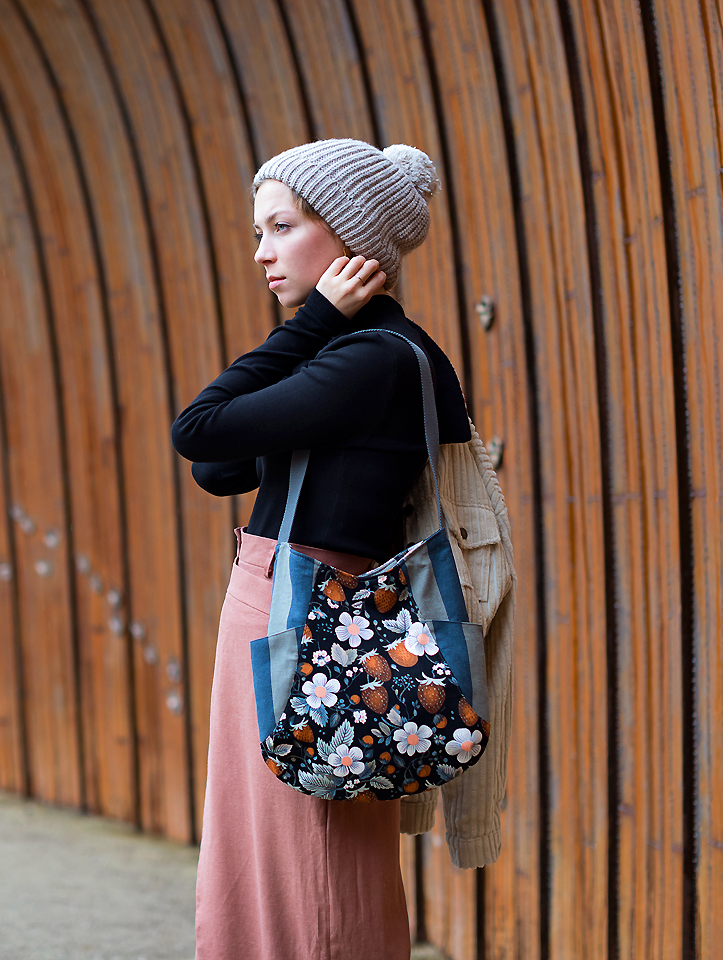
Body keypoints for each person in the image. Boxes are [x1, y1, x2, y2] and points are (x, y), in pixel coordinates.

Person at [171, 139, 511, 960]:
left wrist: (314, 322)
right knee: (266, 848)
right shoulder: (360, 355)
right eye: (259, 232)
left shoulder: (370, 358)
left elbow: (197, 430)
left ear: (352, 237)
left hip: (311, 613)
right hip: (309, 609)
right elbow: (219, 468)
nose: (262, 252)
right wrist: (311, 334)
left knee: (307, 859)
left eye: (282, 227)